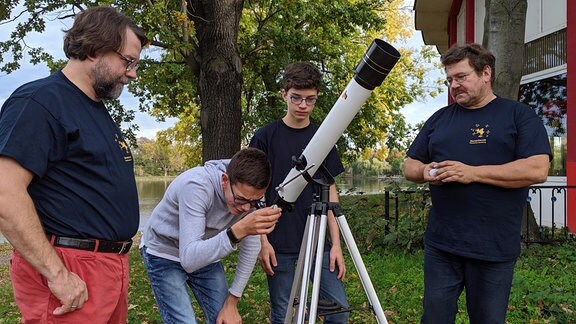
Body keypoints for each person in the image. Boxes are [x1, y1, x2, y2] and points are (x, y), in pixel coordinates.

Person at [0, 6, 147, 323]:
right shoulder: (40, 102)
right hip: (70, 266)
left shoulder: (94, 107)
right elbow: (5, 193)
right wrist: (57, 274)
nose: (132, 73)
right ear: (94, 50)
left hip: (106, 267)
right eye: (128, 61)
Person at [403, 43, 552, 323]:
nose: (453, 85)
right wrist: (426, 171)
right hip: (442, 245)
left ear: (486, 73)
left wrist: (472, 173)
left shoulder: (518, 116)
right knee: (434, 318)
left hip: (493, 248)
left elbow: (537, 169)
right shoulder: (439, 119)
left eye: (461, 77)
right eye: (449, 80)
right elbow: (409, 165)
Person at [249, 62, 349, 324]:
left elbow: (330, 189)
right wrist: (262, 242)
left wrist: (336, 245)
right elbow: (253, 193)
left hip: (318, 243)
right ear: (284, 94)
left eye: (310, 99)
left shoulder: (323, 137)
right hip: (278, 242)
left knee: (339, 313)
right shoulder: (264, 137)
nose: (303, 105)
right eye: (296, 98)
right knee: (283, 316)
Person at [140, 147, 282, 324]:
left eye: (254, 201)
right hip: (163, 252)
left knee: (223, 319)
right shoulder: (196, 186)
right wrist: (236, 233)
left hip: (203, 251)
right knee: (184, 321)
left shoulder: (252, 196)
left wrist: (233, 301)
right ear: (224, 180)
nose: (246, 208)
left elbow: (252, 245)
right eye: (241, 199)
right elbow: (190, 259)